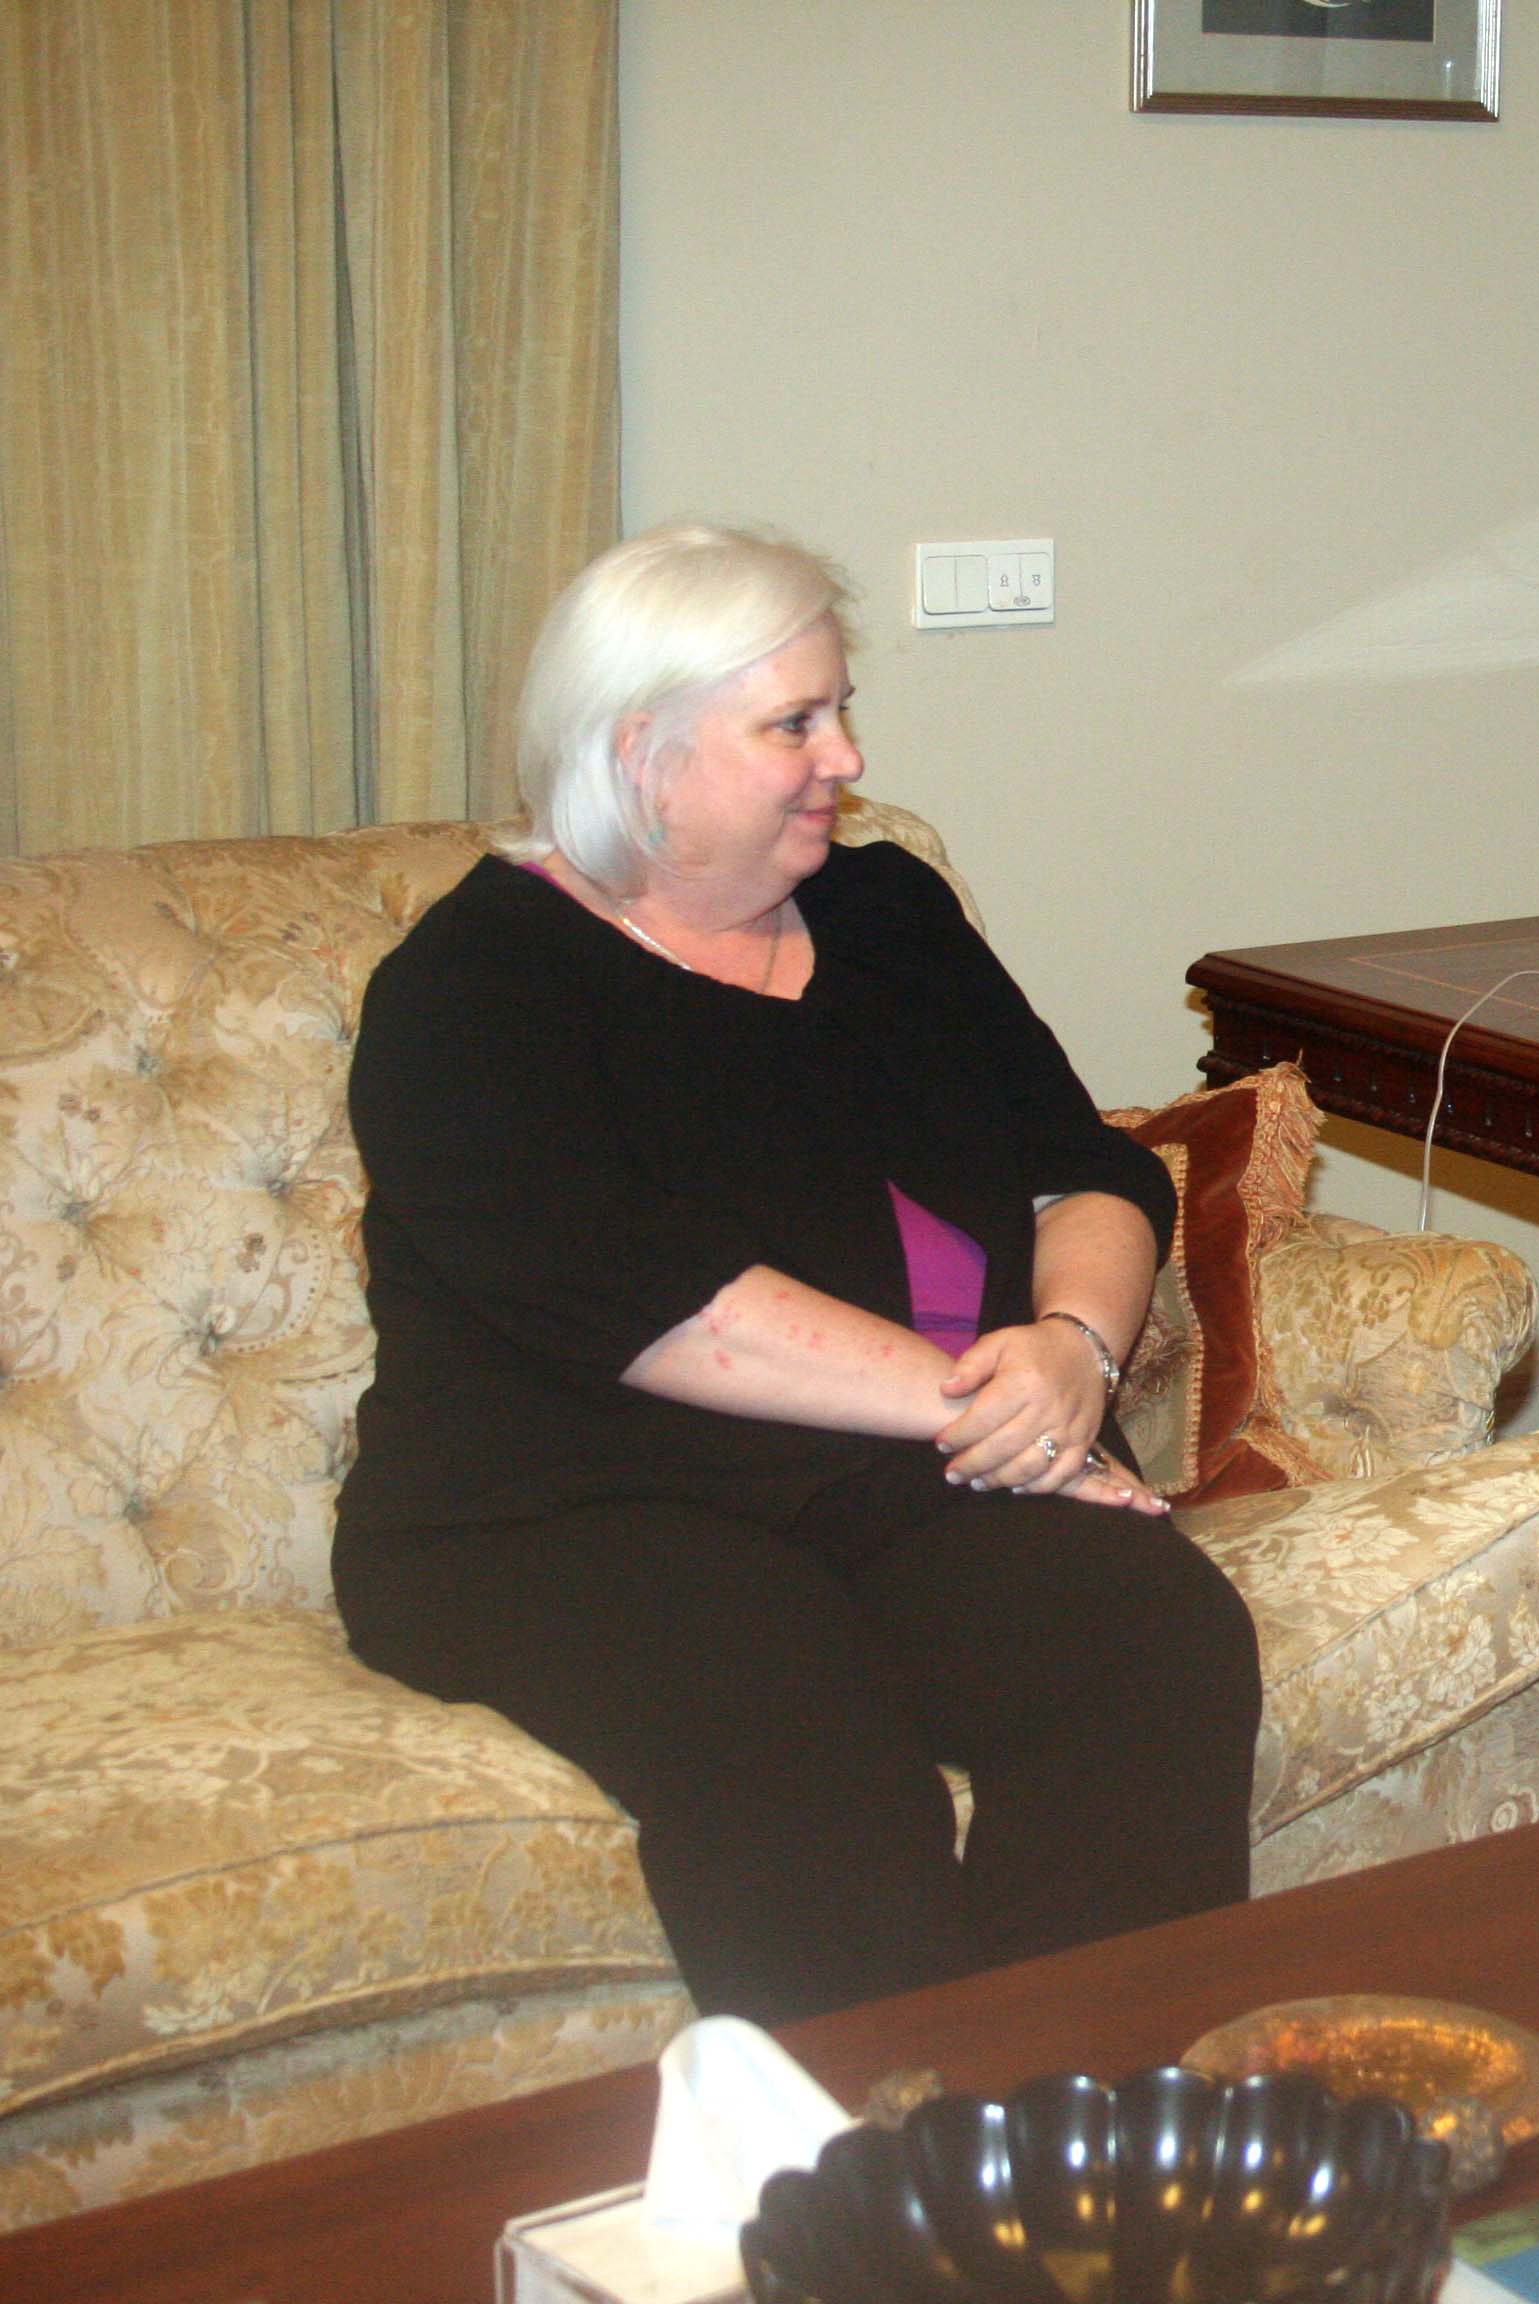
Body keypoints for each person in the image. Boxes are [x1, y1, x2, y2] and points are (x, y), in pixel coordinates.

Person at [333, 523, 1260, 2026]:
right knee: (805, 1754)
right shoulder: (473, 990)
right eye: (794, 725)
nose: (846, 756)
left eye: (839, 710)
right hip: (573, 1510)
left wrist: (1072, 1350)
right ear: (642, 756)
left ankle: (1087, 2115)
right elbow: (649, 1301)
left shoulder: (888, 914)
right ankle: (884, 2155)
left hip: (890, 1475)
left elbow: (1079, 1163)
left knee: (1150, 1643)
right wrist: (1000, 1411)